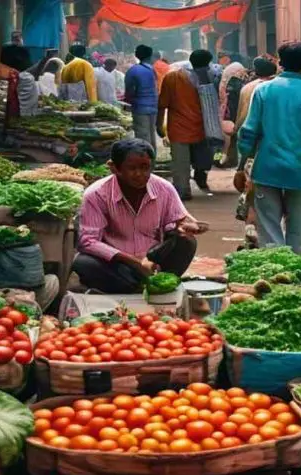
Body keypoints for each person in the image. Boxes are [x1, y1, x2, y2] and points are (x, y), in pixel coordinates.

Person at [237, 41, 301, 252]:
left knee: (269, 227)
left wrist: (240, 167)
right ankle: (293, 270)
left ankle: (275, 271)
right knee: (297, 226)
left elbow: (248, 132)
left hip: (266, 168)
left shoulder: (263, 91)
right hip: (298, 170)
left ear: (280, 62)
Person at [73, 139, 205, 293]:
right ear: (114, 168)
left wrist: (182, 227)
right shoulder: (96, 194)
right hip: (117, 263)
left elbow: (173, 225)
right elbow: (87, 241)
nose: (139, 174)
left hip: (153, 259)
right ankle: (138, 286)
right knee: (83, 263)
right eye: (132, 168)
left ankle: (159, 282)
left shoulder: (164, 189)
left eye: (145, 168)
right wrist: (134, 262)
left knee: (186, 241)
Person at [157, 50, 217, 199]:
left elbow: (162, 104)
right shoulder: (210, 78)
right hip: (203, 127)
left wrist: (159, 125)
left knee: (180, 162)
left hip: (179, 128)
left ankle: (183, 190)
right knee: (203, 158)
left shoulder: (173, 77)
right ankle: (199, 175)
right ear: (207, 64)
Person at [233, 57, 278, 247]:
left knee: (251, 192)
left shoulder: (247, 88)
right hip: (271, 147)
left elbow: (242, 118)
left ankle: (251, 230)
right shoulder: (275, 88)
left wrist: (240, 162)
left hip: (249, 144)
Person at [125, 45, 159, 154]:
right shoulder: (152, 70)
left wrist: (128, 103)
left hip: (140, 108)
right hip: (153, 107)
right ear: (150, 55)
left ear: (136, 55)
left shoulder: (133, 70)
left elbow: (130, 91)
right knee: (151, 135)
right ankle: (151, 161)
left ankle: (144, 160)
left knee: (143, 137)